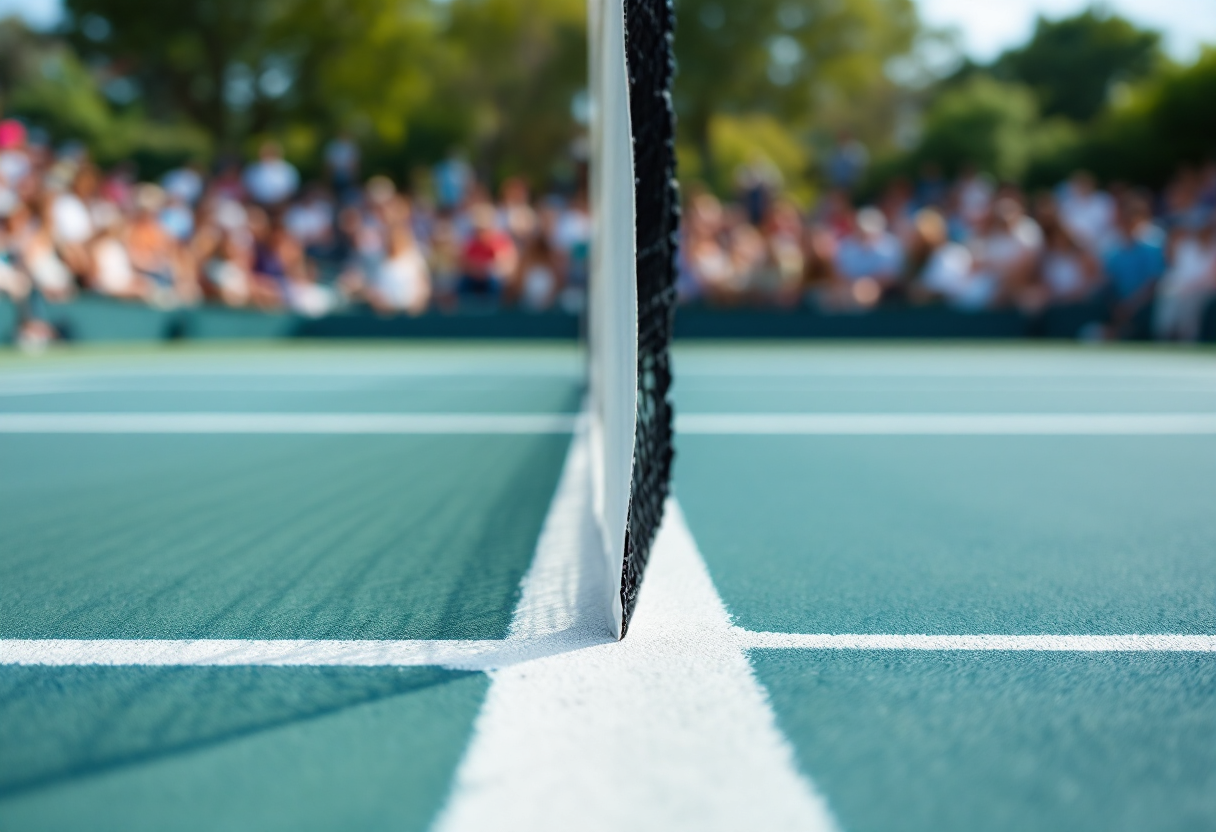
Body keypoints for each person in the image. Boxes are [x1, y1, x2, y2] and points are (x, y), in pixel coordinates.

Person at [1102, 191, 1167, 338]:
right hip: (1121, 304)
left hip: (1146, 305)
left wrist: (1132, 305)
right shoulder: (1115, 250)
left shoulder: (1153, 245)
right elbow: (1109, 280)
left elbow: (1153, 282)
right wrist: (1118, 305)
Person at [1154, 217, 1216, 341]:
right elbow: (1179, 272)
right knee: (1168, 295)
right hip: (1184, 288)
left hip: (1205, 290)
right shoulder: (1187, 246)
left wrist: (1191, 287)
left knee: (1190, 301)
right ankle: (1163, 335)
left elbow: (1211, 278)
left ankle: (1187, 338)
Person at [831, 207, 903, 307]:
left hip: (885, 293)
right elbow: (840, 276)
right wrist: (857, 288)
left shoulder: (891, 246)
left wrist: (867, 287)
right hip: (849, 291)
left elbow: (889, 276)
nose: (866, 235)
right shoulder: (846, 246)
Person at [458, 203, 516, 301]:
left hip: (494, 282)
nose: (480, 232)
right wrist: (479, 270)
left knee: (494, 283)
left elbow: (505, 265)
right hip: (473, 280)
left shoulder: (501, 241)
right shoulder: (471, 242)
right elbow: (464, 264)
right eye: (478, 229)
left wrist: (487, 269)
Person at [243, 141, 299, 207]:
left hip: (282, 205)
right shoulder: (252, 169)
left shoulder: (288, 170)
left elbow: (292, 189)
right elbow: (247, 188)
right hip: (258, 205)